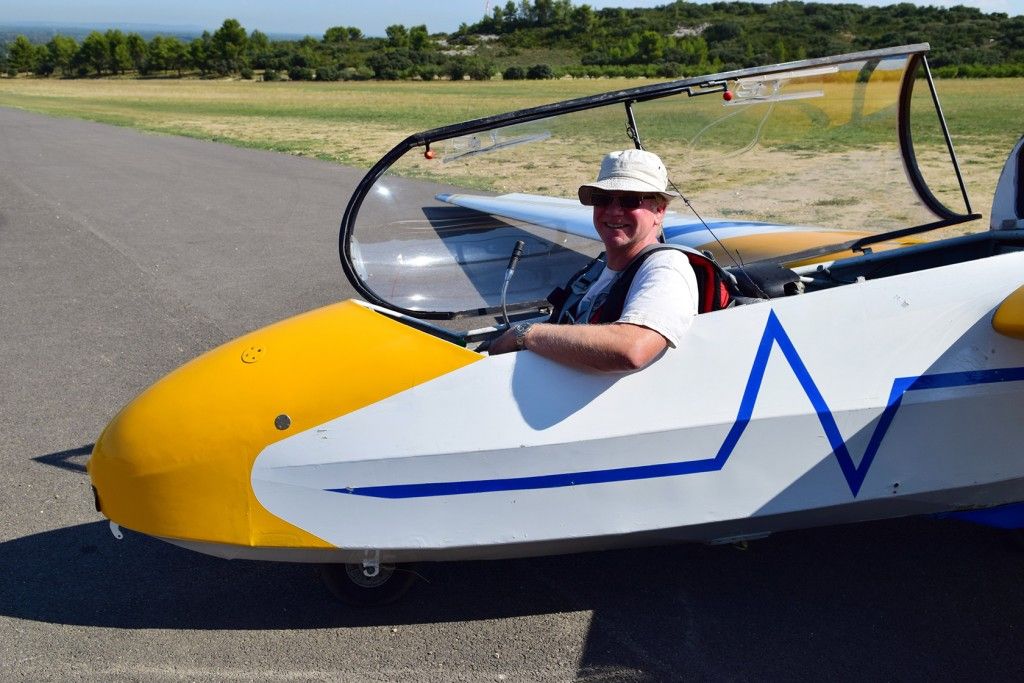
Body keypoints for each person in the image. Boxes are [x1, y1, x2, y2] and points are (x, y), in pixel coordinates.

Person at [488, 149, 699, 372]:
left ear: (659, 210)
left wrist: (524, 334)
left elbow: (632, 349)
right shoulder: (599, 268)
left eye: (629, 200)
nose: (614, 211)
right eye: (603, 199)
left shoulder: (666, 269)